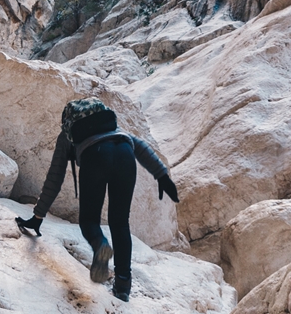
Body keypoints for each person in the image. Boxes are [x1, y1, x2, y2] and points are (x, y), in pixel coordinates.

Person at [14, 98, 178, 302]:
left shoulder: (68, 135)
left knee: (89, 221)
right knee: (120, 223)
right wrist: (162, 176)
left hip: (95, 156)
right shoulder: (115, 130)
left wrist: (38, 216)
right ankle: (123, 286)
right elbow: (140, 146)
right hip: (125, 154)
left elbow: (54, 179)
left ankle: (101, 245)